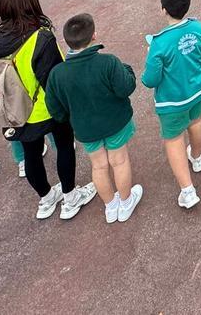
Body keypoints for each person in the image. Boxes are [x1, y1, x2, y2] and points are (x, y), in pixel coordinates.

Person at [0, 0, 94, 220]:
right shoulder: (40, 37)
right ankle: (70, 196)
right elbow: (55, 77)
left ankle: (46, 198)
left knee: (31, 153)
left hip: (12, 109)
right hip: (45, 107)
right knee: (64, 147)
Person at [44, 13, 142, 224]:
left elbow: (54, 108)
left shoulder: (57, 73)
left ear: (67, 41)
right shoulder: (108, 62)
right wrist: (127, 69)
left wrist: (68, 118)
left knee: (98, 166)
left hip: (85, 128)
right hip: (115, 122)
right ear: (94, 35)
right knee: (119, 160)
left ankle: (110, 206)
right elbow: (126, 87)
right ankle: (126, 202)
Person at [141, 0, 201, 212]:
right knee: (197, 120)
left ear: (163, 10)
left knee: (173, 140)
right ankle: (198, 157)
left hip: (172, 101)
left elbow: (150, 79)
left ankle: (187, 190)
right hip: (199, 89)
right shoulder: (198, 27)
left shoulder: (159, 43)